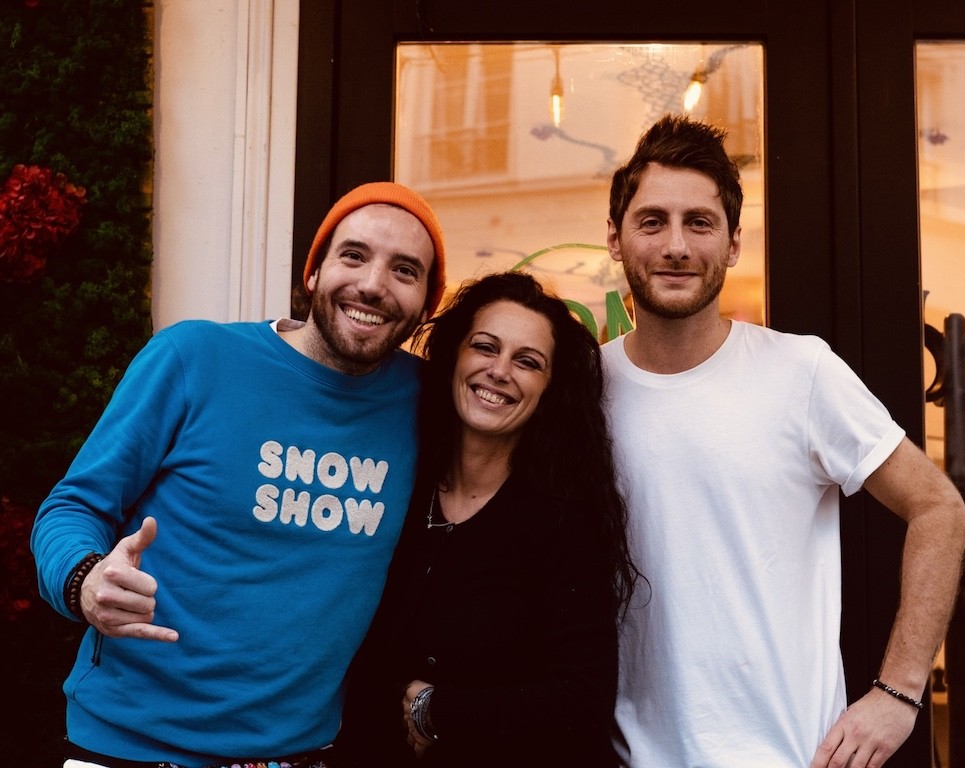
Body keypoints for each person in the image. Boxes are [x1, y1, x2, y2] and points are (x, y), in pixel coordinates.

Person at [30, 181, 447, 768]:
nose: (374, 284)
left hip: (298, 753)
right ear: (313, 272)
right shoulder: (194, 358)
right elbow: (72, 507)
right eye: (353, 255)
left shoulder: (426, 403)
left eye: (405, 270)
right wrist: (84, 580)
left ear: (426, 306)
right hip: (127, 745)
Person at [602, 114, 965, 768]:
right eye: (652, 221)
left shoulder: (799, 372)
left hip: (790, 756)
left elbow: (939, 509)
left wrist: (899, 692)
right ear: (615, 237)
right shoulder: (583, 389)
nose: (676, 245)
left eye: (700, 222)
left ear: (733, 244)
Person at [337, 271, 638, 767]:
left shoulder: (563, 521)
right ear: (455, 356)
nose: (499, 371)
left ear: (549, 389)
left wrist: (437, 711)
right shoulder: (398, 487)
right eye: (484, 347)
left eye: (527, 362)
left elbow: (582, 701)